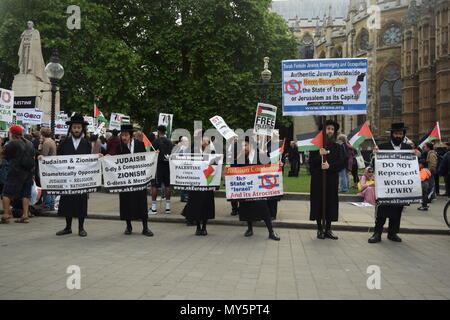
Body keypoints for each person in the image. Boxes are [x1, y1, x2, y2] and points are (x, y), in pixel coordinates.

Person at [368, 122, 420, 243]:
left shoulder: (408, 149)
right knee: (382, 211)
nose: (398, 136)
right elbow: (375, 165)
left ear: (403, 135)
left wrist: (418, 155)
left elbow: (414, 166)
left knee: (397, 211)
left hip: (400, 187)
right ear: (392, 134)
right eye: (396, 133)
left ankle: (392, 233)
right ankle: (377, 233)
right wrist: (375, 154)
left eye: (400, 134)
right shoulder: (382, 147)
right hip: (386, 187)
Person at [233, 136, 280, 241]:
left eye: (245, 145)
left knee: (264, 209)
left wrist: (277, 166)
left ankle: (271, 231)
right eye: (242, 146)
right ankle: (249, 228)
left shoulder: (261, 155)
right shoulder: (241, 157)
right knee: (246, 208)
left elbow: (269, 167)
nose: (243, 148)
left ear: (251, 145)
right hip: (247, 188)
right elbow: (233, 169)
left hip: (259, 189)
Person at [54, 115, 92, 237]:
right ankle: (68, 227)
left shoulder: (86, 143)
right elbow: (58, 159)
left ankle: (81, 228)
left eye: (78, 127)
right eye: (74, 127)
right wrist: (44, 159)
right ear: (71, 128)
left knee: (81, 203)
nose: (76, 129)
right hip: (68, 179)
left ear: (82, 129)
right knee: (67, 202)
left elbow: (89, 161)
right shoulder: (64, 142)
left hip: (81, 179)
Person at [114, 124, 153, 236]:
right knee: (126, 202)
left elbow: (146, 159)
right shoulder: (119, 147)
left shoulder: (140, 145)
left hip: (138, 180)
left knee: (142, 203)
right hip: (125, 181)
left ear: (131, 136)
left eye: (126, 135)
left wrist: (154, 156)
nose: (124, 138)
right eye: (122, 135)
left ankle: (145, 228)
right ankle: (128, 226)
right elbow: (114, 162)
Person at [309, 120, 345, 240]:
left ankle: (328, 229)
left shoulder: (337, 147)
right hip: (318, 180)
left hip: (331, 179)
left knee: (330, 203)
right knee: (318, 202)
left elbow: (342, 163)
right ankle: (320, 229)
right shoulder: (315, 146)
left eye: (332, 129)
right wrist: (319, 156)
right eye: (327, 128)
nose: (329, 131)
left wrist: (330, 167)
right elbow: (311, 165)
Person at [0, 125, 35, 224]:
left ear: (12, 133)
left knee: (6, 193)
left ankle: (6, 214)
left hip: (15, 171)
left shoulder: (13, 143)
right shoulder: (30, 143)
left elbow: (3, 154)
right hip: (28, 172)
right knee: (25, 194)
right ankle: (25, 215)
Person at [182, 135, 215, 236]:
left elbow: (215, 166)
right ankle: (197, 227)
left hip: (207, 182)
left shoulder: (212, 152)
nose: (206, 140)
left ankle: (204, 227)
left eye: (207, 139)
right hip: (195, 182)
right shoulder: (193, 151)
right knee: (196, 204)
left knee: (206, 204)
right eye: (204, 139)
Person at [149, 125, 173, 214]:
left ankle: (154, 208)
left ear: (158, 132)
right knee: (167, 185)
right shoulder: (170, 142)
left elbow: (151, 153)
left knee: (155, 186)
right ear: (165, 132)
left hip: (158, 166)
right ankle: (168, 207)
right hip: (167, 166)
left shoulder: (155, 141)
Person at [38, 128, 57, 211]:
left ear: (42, 134)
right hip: (52, 166)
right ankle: (51, 203)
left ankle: (47, 204)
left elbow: (44, 155)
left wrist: (39, 149)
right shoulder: (52, 141)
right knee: (51, 186)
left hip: (47, 167)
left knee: (46, 185)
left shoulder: (46, 143)